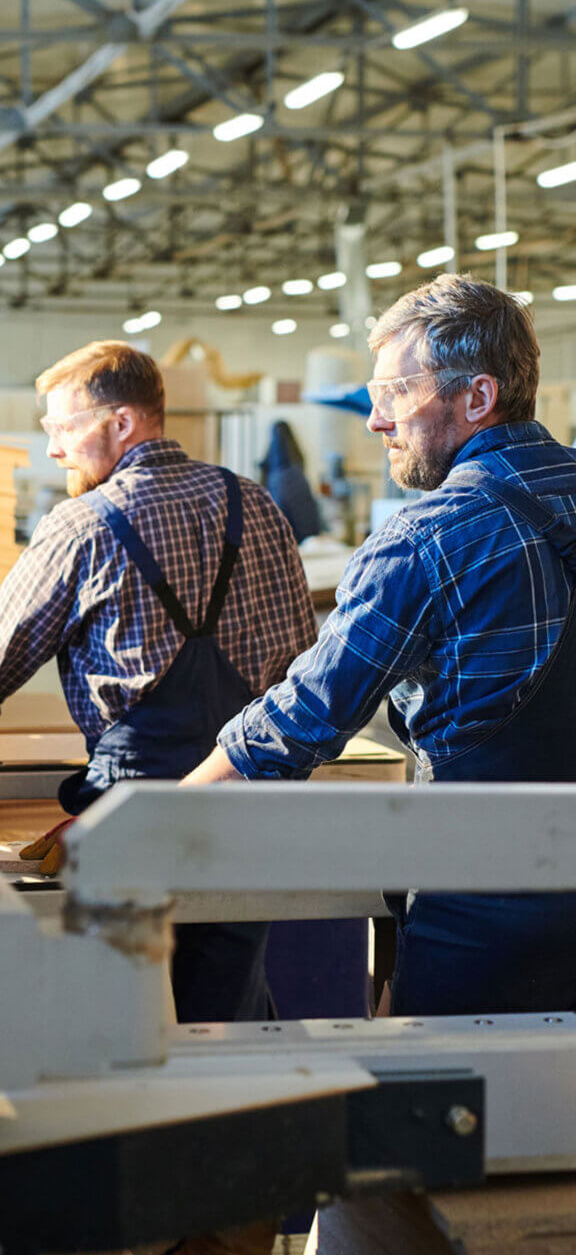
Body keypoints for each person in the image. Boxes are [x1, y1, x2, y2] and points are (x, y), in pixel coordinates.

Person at [0, 340, 317, 1023]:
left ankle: (139, 1118)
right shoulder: (251, 503)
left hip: (129, 806)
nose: (54, 449)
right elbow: (302, 659)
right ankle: (237, 1117)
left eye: (65, 429)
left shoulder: (82, 524)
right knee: (225, 1002)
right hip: (246, 799)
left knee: (121, 1000)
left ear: (125, 422)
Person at [183, 273, 576, 1017]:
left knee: (448, 1123)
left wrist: (155, 821)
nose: (375, 420)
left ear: (478, 398)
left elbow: (298, 722)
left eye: (395, 393)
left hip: (488, 919)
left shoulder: (427, 539)